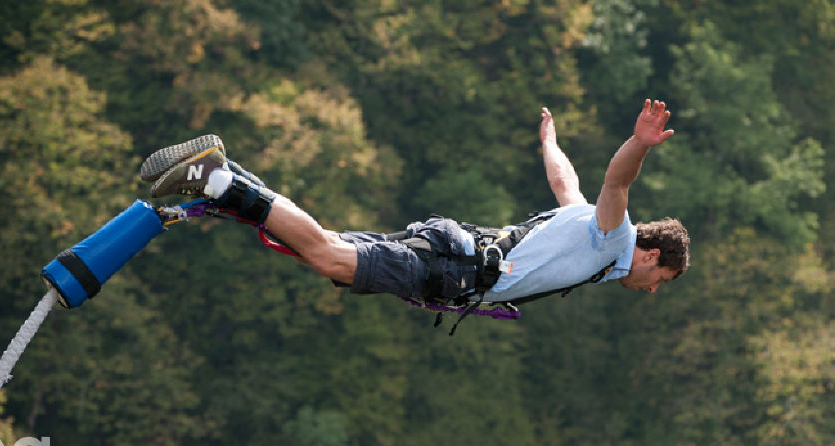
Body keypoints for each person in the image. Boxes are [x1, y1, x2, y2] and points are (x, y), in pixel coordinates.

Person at [142, 99, 689, 310]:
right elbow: (616, 186)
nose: (652, 290)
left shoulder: (589, 229)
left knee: (324, 249)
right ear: (649, 255)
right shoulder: (612, 238)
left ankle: (227, 174)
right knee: (328, 255)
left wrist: (549, 141)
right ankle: (218, 182)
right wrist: (638, 144)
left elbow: (565, 180)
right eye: (660, 280)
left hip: (453, 254)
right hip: (453, 268)